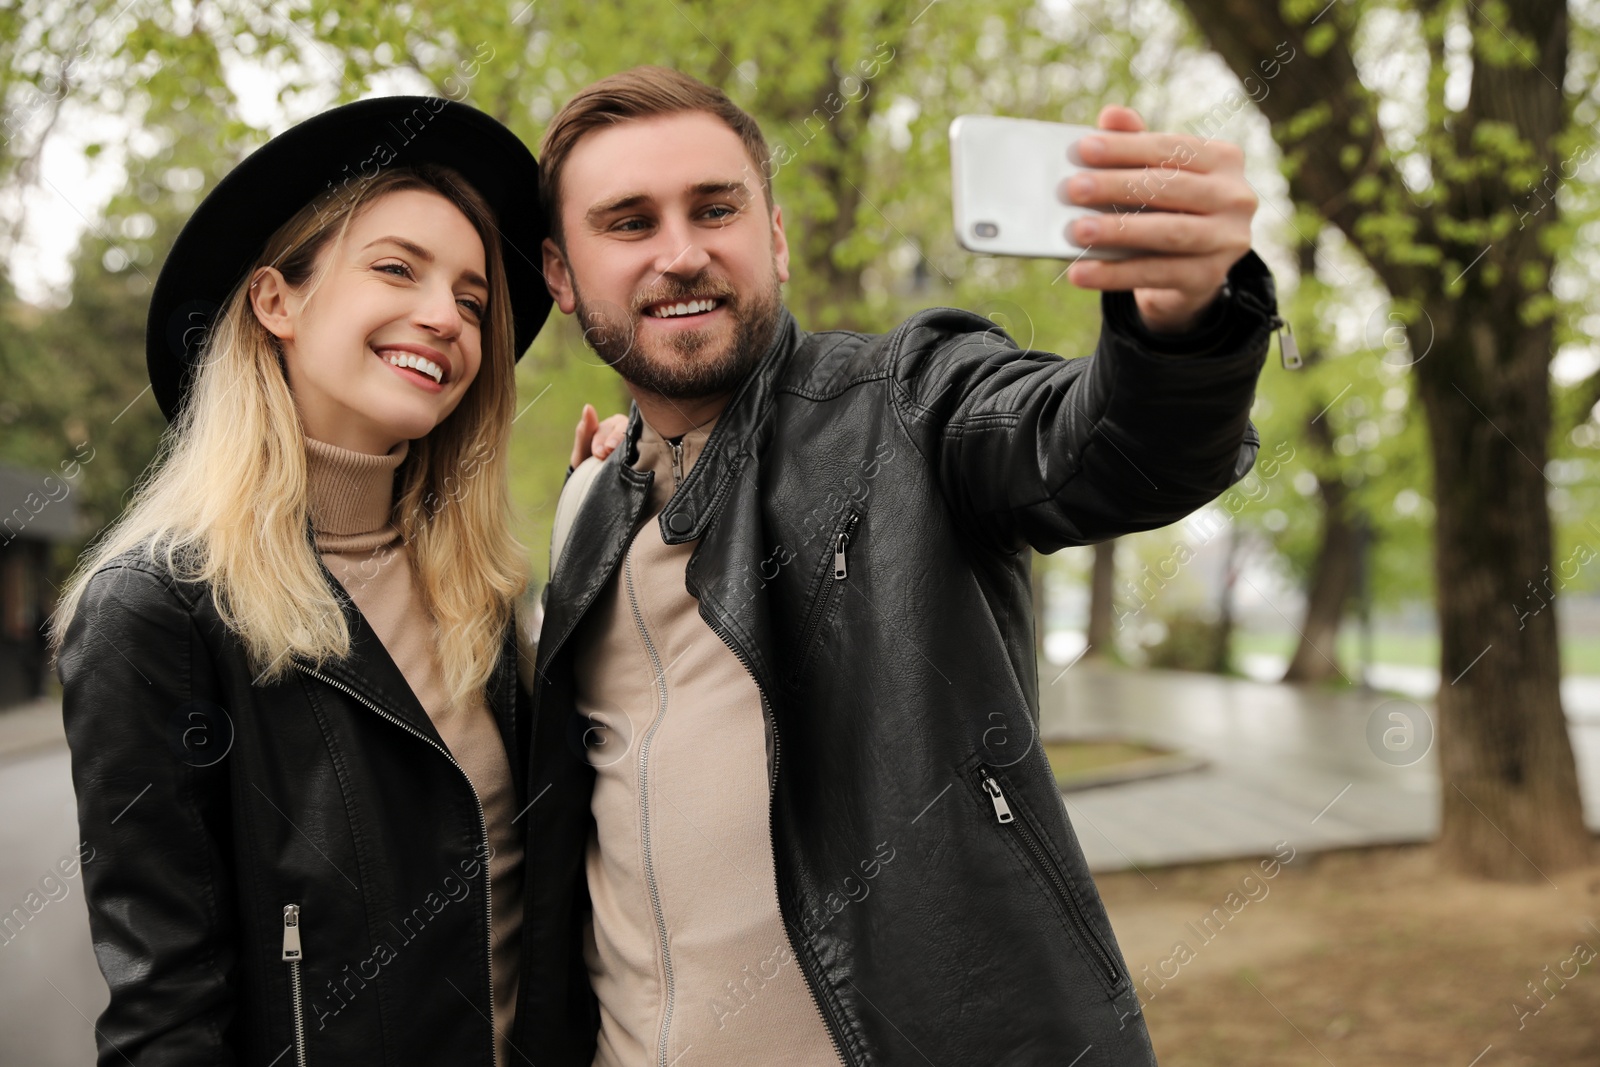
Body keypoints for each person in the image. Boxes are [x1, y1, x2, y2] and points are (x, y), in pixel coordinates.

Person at [520, 67, 1282, 1066]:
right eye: (627, 221)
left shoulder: (909, 406)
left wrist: (1186, 326)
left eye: (717, 208)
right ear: (561, 275)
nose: (681, 251)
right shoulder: (587, 507)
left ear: (777, 239)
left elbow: (1100, 445)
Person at [51, 96, 617, 1066]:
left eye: (474, 300)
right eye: (396, 267)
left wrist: (620, 506)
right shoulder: (156, 609)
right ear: (277, 300)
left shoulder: (481, 592)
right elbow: (165, 1015)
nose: (444, 315)